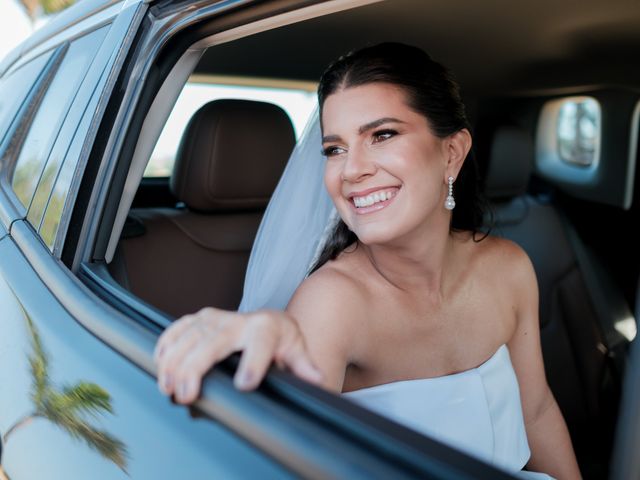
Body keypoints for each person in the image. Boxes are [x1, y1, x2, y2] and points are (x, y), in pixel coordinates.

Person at [154, 43, 581, 479]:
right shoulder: (333, 302)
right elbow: (284, 449)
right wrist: (267, 354)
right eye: (335, 149)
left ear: (452, 152)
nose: (351, 170)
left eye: (382, 135)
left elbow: (536, 409)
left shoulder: (509, 267)